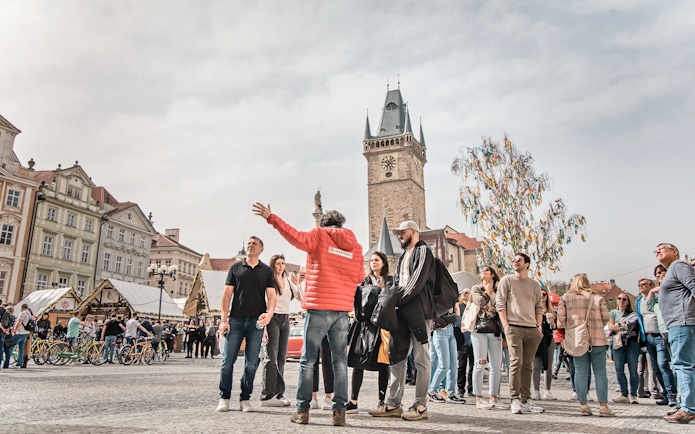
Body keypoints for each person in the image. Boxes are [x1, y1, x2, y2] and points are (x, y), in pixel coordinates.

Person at [253, 203, 363, 426]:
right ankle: (339, 412)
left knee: (308, 361)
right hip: (341, 311)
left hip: (319, 306)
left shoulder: (319, 235)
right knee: (339, 362)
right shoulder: (356, 247)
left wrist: (272, 218)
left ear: (324, 224)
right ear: (342, 224)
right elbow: (360, 276)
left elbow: (295, 237)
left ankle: (302, 410)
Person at [369, 220, 435, 422]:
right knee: (397, 356)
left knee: (421, 358)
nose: (399, 236)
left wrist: (397, 302)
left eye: (402, 232)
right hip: (403, 313)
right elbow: (398, 282)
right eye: (398, 233)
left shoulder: (423, 251)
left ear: (413, 232)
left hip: (419, 312)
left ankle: (421, 405)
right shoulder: (405, 254)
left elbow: (416, 282)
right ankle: (393, 404)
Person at [215, 236, 277, 414]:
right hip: (235, 320)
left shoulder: (266, 270)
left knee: (251, 363)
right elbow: (227, 295)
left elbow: (271, 296)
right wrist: (224, 320)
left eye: (254, 244)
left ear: (261, 250)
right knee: (228, 361)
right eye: (249, 243)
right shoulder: (235, 267)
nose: (250, 246)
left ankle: (245, 399)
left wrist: (269, 315)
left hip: (256, 322)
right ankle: (224, 397)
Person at [556, 274, 615, 417]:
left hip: (577, 340)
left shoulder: (565, 298)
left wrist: (573, 323)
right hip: (597, 339)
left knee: (581, 372)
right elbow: (606, 317)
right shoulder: (597, 297)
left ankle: (583, 405)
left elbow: (560, 321)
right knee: (600, 373)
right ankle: (603, 406)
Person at [496, 252, 545, 415]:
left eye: (519, 260)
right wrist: (506, 325)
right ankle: (514, 399)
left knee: (527, 366)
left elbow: (539, 307)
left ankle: (526, 399)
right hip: (514, 327)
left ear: (527, 264)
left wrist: (538, 327)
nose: (515, 262)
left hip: (532, 328)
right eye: (513, 260)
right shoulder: (506, 281)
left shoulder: (535, 284)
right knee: (516, 362)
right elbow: (500, 304)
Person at [654, 243, 695, 423]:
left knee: (683, 365)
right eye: (656, 249)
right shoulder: (672, 270)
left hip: (683, 321)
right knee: (682, 365)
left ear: (674, 252)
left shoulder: (678, 265)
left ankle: (688, 409)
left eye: (662, 247)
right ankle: (686, 404)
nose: (658, 250)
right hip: (677, 324)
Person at [347, 252, 393, 414]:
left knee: (383, 364)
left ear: (383, 262)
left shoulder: (391, 281)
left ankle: (381, 401)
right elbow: (357, 302)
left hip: (382, 327)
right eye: (372, 260)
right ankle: (353, 401)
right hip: (364, 327)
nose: (373, 263)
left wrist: (382, 289)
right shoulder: (364, 281)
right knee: (358, 363)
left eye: (377, 260)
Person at [260, 254, 301, 406]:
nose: (281, 266)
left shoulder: (289, 282)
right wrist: (263, 325)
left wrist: (300, 283)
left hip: (285, 319)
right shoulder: (268, 282)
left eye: (283, 263)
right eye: (278, 263)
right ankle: (267, 394)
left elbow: (300, 298)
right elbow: (263, 303)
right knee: (271, 356)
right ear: (273, 265)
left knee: (281, 357)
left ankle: (279, 394)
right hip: (272, 318)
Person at [636, 278, 678, 407]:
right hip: (648, 337)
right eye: (639, 285)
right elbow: (640, 318)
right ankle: (665, 394)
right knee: (655, 368)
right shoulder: (639, 301)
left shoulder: (658, 298)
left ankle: (672, 396)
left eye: (644, 284)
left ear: (651, 285)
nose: (641, 286)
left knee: (663, 364)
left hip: (659, 335)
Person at [470, 265, 505, 410]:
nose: (483, 272)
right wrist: (488, 292)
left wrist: (493, 308)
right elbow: (479, 302)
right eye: (482, 270)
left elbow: (502, 306)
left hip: (495, 327)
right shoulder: (476, 288)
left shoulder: (499, 290)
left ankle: (494, 396)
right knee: (480, 363)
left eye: (486, 270)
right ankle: (478, 398)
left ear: (492, 274)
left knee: (496, 366)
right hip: (479, 327)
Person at [609, 291, 640, 404]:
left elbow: (632, 327)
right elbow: (610, 327)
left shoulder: (633, 314)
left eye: (624, 299)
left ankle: (634, 394)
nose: (621, 301)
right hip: (618, 342)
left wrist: (618, 327)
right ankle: (624, 394)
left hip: (631, 342)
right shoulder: (613, 312)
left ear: (628, 302)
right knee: (618, 369)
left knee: (633, 369)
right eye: (619, 298)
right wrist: (622, 327)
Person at [531, 289, 557, 401]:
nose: (542, 296)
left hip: (549, 338)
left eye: (544, 294)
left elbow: (555, 327)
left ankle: (547, 390)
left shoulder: (551, 311)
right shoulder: (533, 309)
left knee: (548, 365)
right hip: (537, 338)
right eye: (540, 294)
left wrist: (552, 323)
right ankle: (536, 391)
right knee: (535, 365)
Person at [455, 289, 474, 399]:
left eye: (466, 292)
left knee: (473, 364)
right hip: (462, 338)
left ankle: (471, 388)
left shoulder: (473, 307)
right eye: (462, 293)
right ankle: (460, 389)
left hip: (472, 337)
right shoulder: (459, 307)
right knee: (462, 365)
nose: (463, 294)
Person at [12, 304, 33, 368]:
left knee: (10, 346)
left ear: (22, 307)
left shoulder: (22, 313)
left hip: (20, 333)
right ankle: (19, 363)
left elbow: (18, 323)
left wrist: (15, 331)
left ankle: (6, 362)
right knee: (21, 348)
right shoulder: (29, 314)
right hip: (26, 333)